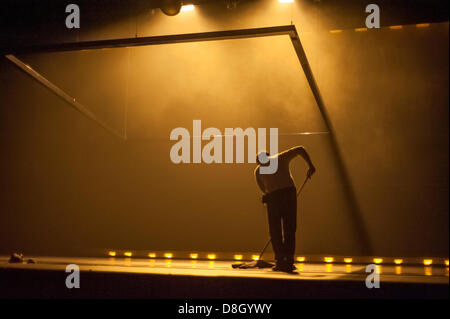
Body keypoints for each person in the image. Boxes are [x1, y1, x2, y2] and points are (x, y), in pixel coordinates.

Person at [255, 146, 315, 273]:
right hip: (286, 193)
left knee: (277, 230)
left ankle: (282, 260)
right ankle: (287, 260)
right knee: (289, 228)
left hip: (276, 196)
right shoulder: (278, 158)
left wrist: (267, 196)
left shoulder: (260, 169)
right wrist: (310, 165)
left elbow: (263, 189)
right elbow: (300, 149)